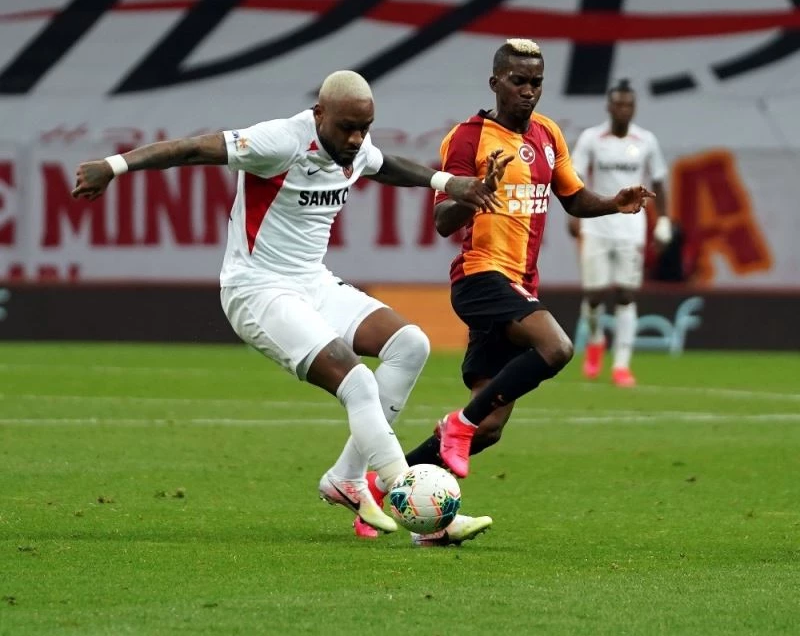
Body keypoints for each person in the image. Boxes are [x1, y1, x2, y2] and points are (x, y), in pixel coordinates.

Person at [71, 70, 499, 545]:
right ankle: (416, 500)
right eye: (347, 128)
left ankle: (346, 477)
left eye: (365, 126)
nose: (357, 139)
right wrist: (112, 166)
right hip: (257, 289)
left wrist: (450, 183)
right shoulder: (279, 141)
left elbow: (386, 165)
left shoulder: (354, 145)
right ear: (319, 115)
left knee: (410, 344)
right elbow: (194, 149)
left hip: (311, 282)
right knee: (356, 381)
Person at [371, 38, 655, 483]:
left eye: (536, 83)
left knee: (489, 428)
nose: (528, 91)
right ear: (495, 82)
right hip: (480, 277)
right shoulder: (467, 138)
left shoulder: (547, 134)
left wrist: (613, 203)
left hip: (520, 285)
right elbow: (444, 220)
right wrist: (476, 192)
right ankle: (456, 426)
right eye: (518, 81)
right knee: (557, 348)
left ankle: (384, 484)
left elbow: (574, 198)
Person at [568, 79, 671, 386]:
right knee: (595, 294)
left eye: (629, 104)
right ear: (609, 106)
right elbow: (574, 175)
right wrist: (574, 211)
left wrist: (663, 220)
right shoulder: (591, 138)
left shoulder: (646, 140)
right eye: (618, 103)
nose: (623, 108)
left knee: (626, 293)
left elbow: (660, 180)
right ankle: (596, 340)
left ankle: (622, 364)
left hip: (632, 225)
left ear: (634, 107)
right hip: (597, 222)